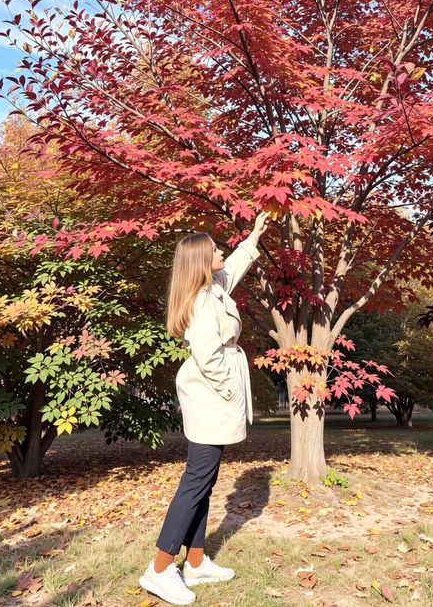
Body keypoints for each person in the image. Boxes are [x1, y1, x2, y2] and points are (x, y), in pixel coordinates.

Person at [139, 212, 270, 605]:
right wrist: (231, 392)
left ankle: (195, 562)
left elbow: (234, 267)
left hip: (214, 394)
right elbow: (209, 357)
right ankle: (160, 568)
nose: (220, 252)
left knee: (205, 479)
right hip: (212, 393)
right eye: (214, 250)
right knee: (196, 480)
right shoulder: (201, 301)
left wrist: (254, 235)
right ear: (200, 260)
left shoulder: (212, 288)